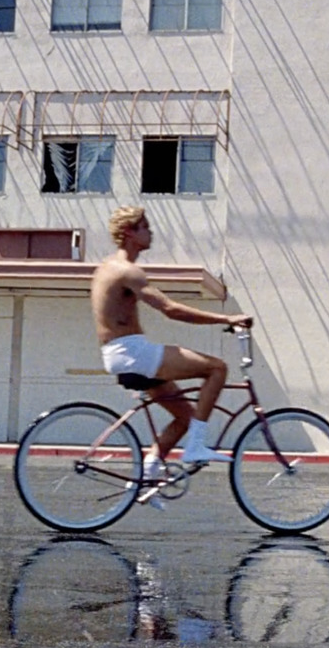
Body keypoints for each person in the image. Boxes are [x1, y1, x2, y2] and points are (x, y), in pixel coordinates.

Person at [91, 206, 251, 504]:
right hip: (133, 352)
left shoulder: (106, 267)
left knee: (184, 417)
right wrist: (226, 319)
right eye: (145, 227)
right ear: (129, 232)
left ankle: (148, 474)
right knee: (217, 369)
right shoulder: (127, 271)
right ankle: (197, 446)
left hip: (122, 352)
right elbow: (170, 309)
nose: (150, 231)